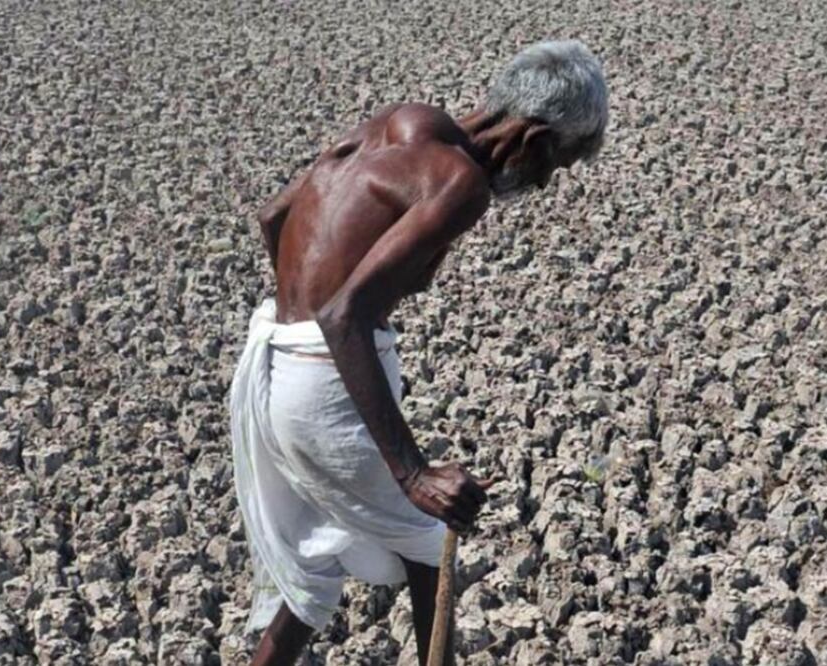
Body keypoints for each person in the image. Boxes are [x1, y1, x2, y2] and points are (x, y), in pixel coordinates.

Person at [230, 40, 609, 665]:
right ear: (536, 141)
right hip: (325, 378)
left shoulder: (406, 123)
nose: (543, 184)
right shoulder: (460, 185)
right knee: (431, 546)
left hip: (273, 363)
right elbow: (344, 314)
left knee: (313, 572)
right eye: (555, 167)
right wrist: (413, 474)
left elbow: (275, 218)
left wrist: (298, 322)